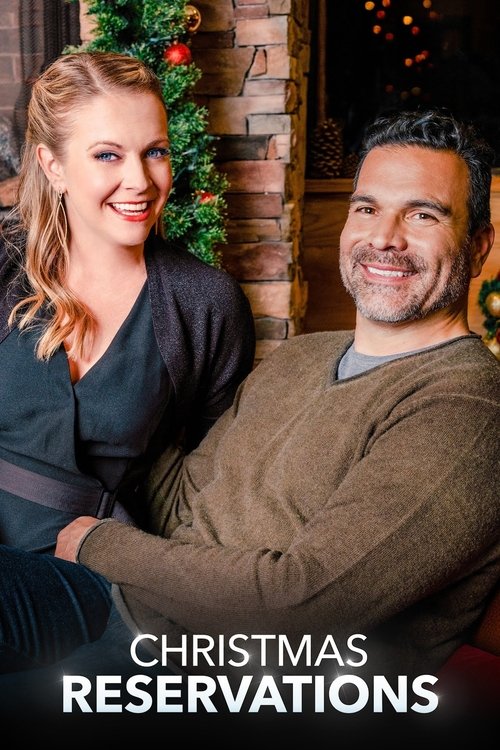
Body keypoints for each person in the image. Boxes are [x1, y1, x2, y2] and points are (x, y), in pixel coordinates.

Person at [2, 109, 500, 731]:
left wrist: (99, 544)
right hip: (135, 613)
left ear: (478, 245)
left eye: (423, 215)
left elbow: (299, 607)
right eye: (368, 208)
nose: (385, 238)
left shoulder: (464, 406)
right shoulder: (301, 357)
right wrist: (109, 370)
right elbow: (182, 503)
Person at [0, 51, 255, 675]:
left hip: (91, 574)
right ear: (52, 165)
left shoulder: (203, 304)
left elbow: (217, 483)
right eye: (108, 155)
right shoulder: (5, 268)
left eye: (155, 152)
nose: (140, 180)